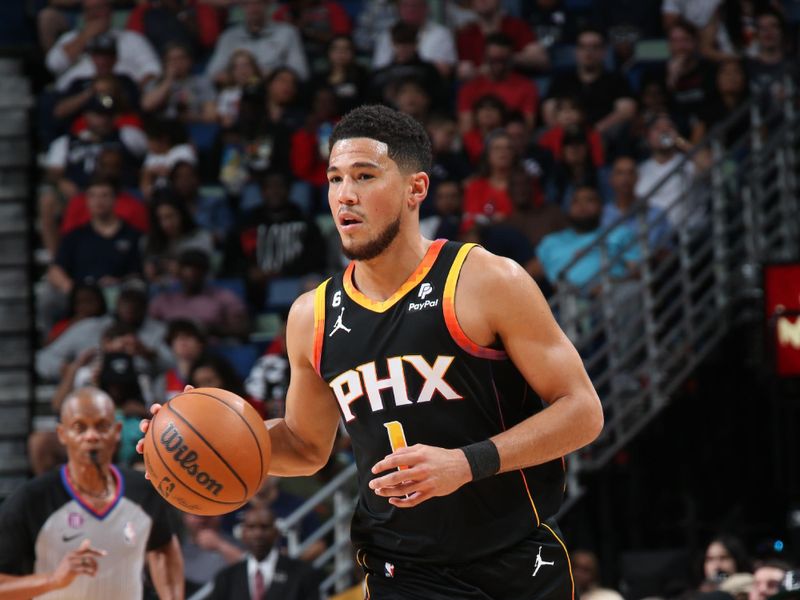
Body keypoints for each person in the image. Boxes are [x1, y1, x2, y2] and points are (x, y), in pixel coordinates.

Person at [141, 104, 603, 599]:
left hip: (516, 563)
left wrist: (466, 463)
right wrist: (200, 435)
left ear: (415, 189)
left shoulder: (484, 279)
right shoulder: (311, 316)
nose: (346, 195)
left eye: (365, 176)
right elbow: (305, 446)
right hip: (402, 573)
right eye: (335, 179)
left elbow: (582, 412)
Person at [0, 388, 183, 599]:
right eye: (80, 427)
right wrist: (54, 580)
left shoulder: (143, 491)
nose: (92, 436)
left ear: (117, 431)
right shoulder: (30, 500)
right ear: (62, 434)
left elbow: (163, 549)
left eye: (102, 426)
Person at [202, 504, 321, 600]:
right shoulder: (226, 577)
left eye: (264, 527)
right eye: (251, 527)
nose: (258, 534)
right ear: (243, 533)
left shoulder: (303, 574)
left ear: (276, 533)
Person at [46, 0, 161, 92]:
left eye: (99, 8)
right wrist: (85, 36)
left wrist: (131, 92)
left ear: (110, 11)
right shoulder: (70, 38)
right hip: (77, 97)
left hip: (122, 98)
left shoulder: (131, 38)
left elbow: (153, 70)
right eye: (89, 9)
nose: (94, 13)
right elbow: (53, 64)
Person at [205, 0, 309, 84]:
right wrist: (236, 77)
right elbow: (212, 73)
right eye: (248, 4)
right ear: (241, 6)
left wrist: (264, 76)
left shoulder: (287, 33)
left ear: (268, 4)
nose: (253, 9)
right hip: (239, 93)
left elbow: (301, 72)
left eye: (258, 3)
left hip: (272, 93)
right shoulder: (229, 36)